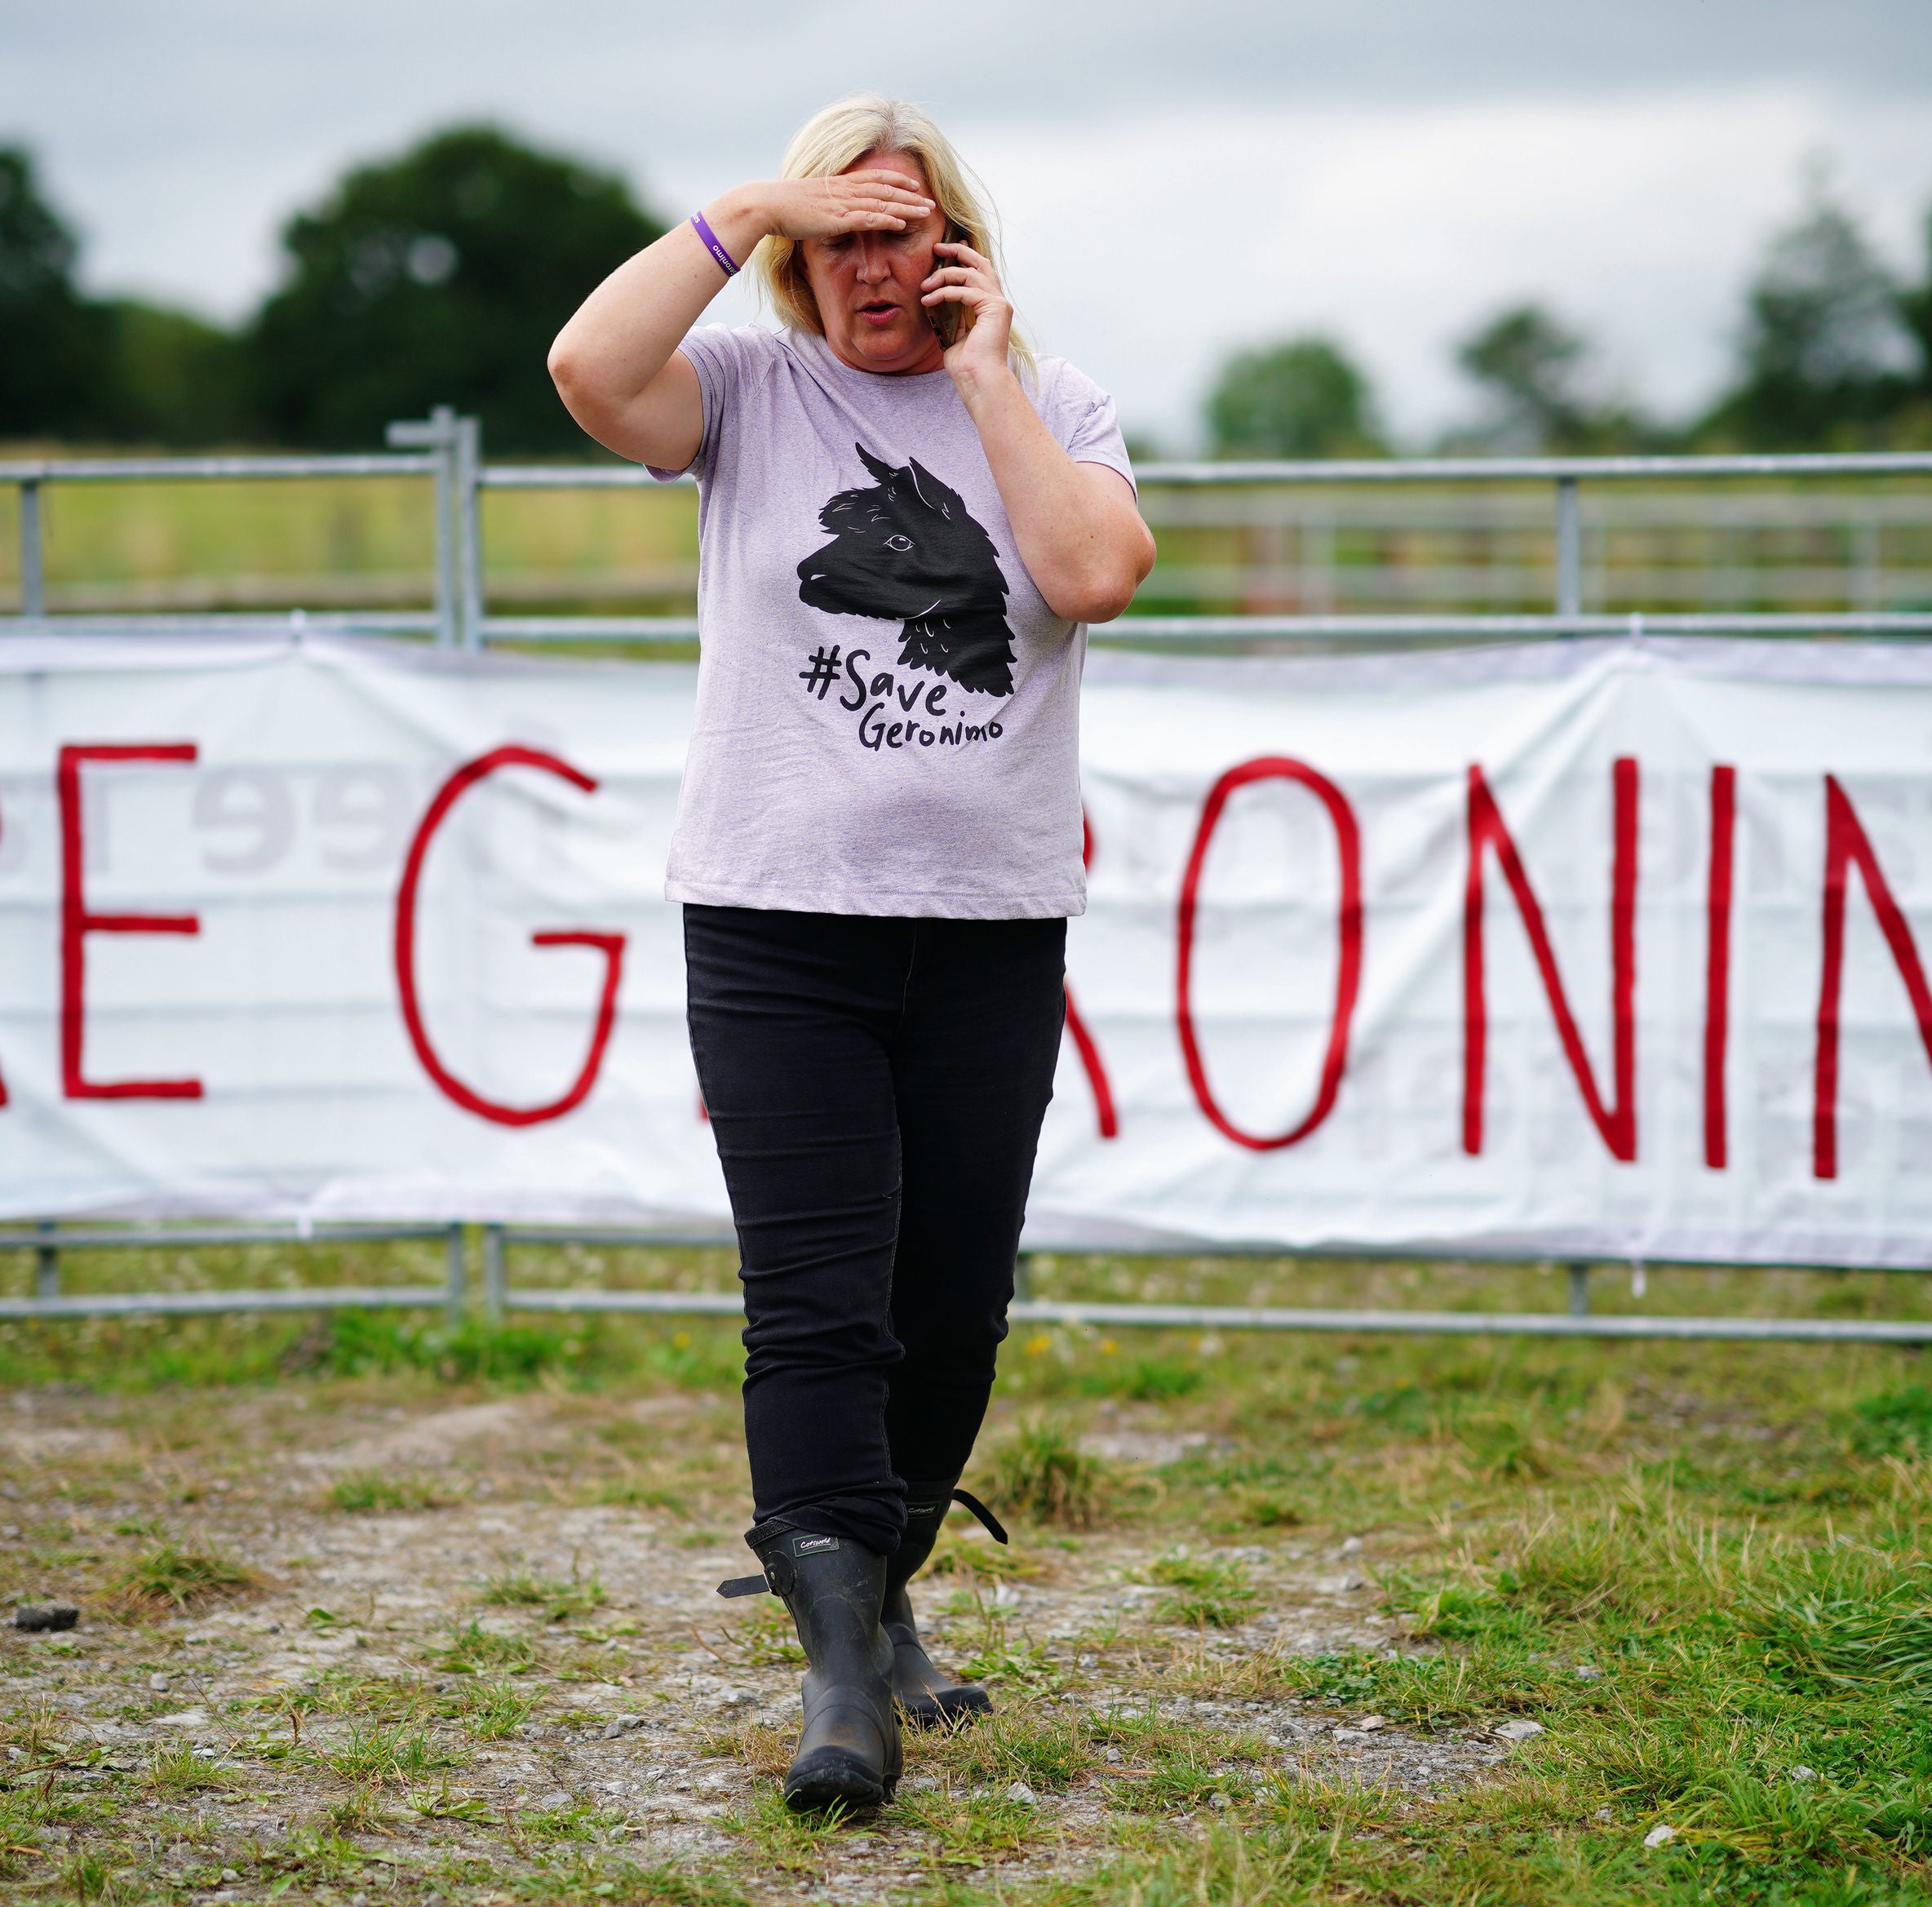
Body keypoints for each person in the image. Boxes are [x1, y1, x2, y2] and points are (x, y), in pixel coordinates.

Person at [547, 93, 1154, 1812]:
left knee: (948, 1306)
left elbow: (1094, 571)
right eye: (835, 238)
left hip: (985, 930)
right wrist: (746, 205)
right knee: (814, 1307)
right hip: (776, 923)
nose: (867, 267)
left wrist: (983, 380)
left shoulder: (1054, 401)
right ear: (796, 255)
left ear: (955, 241)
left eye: (898, 231)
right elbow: (592, 372)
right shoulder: (741, 393)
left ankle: (885, 1598)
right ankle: (838, 1680)